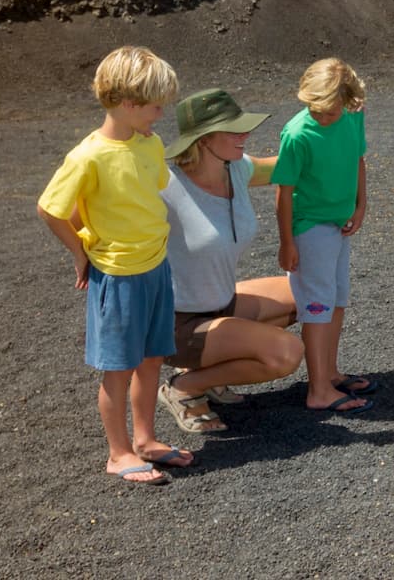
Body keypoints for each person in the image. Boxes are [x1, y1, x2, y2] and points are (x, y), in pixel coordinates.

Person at [36, 46, 194, 486]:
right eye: (156, 105)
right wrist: (80, 250)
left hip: (155, 267)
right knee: (118, 368)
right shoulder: (88, 156)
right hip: (119, 276)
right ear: (128, 104)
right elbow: (52, 209)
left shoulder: (149, 144)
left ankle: (145, 440)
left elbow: (145, 193)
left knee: (152, 359)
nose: (161, 114)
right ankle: (118, 452)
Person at [156, 89, 306, 434]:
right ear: (204, 139)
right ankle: (185, 387)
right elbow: (86, 211)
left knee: (311, 295)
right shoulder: (163, 186)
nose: (245, 135)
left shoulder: (237, 168)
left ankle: (209, 373)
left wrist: (337, 149)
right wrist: (85, 258)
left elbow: (284, 166)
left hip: (221, 304)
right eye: (233, 130)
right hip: (177, 324)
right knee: (285, 353)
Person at [272, 58, 376, 414]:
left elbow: (358, 159)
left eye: (330, 111)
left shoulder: (353, 114)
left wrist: (360, 206)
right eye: (315, 109)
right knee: (317, 305)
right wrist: (287, 242)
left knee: (337, 298)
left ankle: (329, 373)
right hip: (310, 227)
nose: (323, 117)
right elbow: (283, 192)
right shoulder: (298, 133)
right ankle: (317, 390)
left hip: (340, 222)